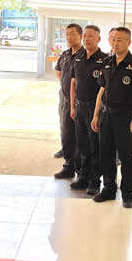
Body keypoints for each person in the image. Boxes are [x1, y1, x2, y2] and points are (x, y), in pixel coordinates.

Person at [91, 27, 132, 208]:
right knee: (106, 155)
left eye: (119, 40)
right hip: (106, 115)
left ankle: (127, 194)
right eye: (113, 40)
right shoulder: (107, 62)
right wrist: (96, 115)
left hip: (125, 116)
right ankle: (109, 189)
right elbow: (101, 91)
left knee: (126, 156)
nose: (115, 43)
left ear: (128, 42)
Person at [70, 25, 107, 195]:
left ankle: (94, 181)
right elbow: (73, 83)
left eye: (91, 36)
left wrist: (97, 113)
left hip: (95, 108)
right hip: (80, 107)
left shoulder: (105, 60)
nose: (86, 39)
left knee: (95, 147)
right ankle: (83, 177)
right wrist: (72, 106)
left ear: (98, 39)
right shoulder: (78, 58)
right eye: (85, 36)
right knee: (82, 145)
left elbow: (104, 89)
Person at [54, 23, 83, 179]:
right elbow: (59, 72)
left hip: (81, 102)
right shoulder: (65, 54)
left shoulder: (85, 55)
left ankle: (81, 169)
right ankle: (68, 166)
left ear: (80, 36)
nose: (69, 37)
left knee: (79, 136)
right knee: (67, 134)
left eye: (72, 34)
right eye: (67, 34)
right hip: (65, 100)